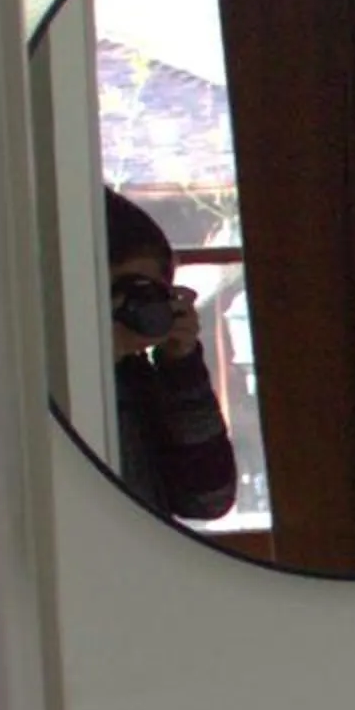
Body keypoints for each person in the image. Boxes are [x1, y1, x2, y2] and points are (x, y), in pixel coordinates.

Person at [106, 188, 237, 523]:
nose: (133, 306)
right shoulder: (38, 370)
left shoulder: (140, 379)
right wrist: (102, 356)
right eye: (118, 290)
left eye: (147, 293)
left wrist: (182, 366)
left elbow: (209, 499)